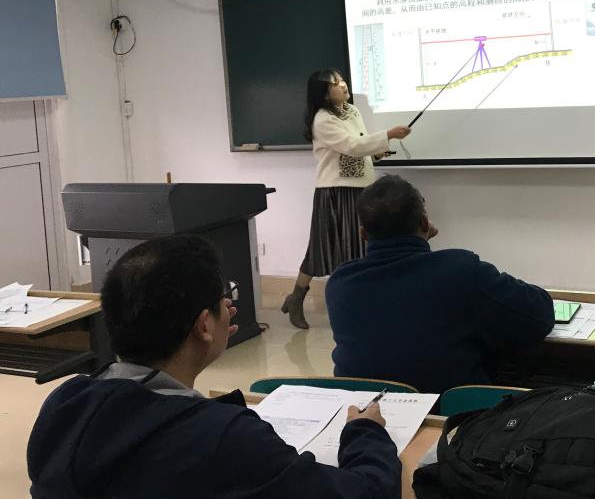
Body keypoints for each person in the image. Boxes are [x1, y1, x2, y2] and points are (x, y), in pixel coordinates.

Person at [27, 235, 401, 499]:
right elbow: (365, 493)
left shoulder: (65, 405)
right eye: (225, 298)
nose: (230, 307)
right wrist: (365, 433)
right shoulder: (226, 440)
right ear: (205, 325)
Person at [326, 175, 555, 393]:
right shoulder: (461, 270)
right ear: (425, 223)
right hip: (451, 414)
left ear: (363, 234)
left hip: (365, 412)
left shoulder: (340, 283)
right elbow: (540, 316)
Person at [282, 69, 411, 329]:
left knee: (359, 248)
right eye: (335, 83)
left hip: (361, 187)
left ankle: (360, 302)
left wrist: (376, 153)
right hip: (335, 191)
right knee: (321, 249)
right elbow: (351, 146)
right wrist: (388, 134)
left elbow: (360, 144)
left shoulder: (352, 111)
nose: (343, 85)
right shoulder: (323, 119)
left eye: (341, 80)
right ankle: (297, 298)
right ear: (324, 94)